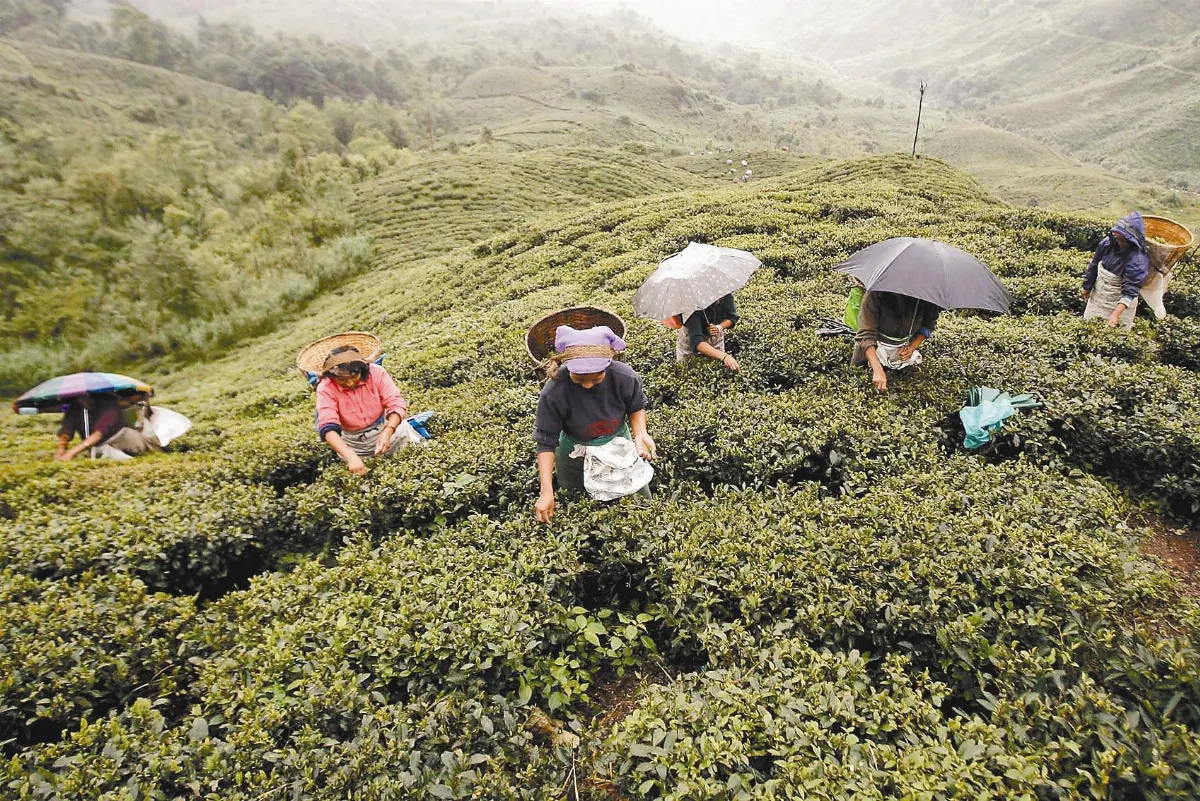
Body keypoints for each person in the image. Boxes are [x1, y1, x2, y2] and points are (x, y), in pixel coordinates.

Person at [533, 325, 656, 524]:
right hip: (575, 454)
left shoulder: (625, 377)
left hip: (618, 446)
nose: (588, 385)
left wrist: (640, 433)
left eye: (596, 378)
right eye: (579, 379)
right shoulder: (555, 390)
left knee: (637, 502)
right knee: (581, 508)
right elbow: (546, 441)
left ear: (608, 364)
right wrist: (546, 491)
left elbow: (636, 406)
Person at [315, 346, 417, 476]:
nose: (350, 383)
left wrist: (388, 431)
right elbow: (327, 426)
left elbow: (395, 403)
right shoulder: (326, 387)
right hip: (355, 443)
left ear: (362, 370)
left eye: (354, 376)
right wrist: (351, 456)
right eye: (342, 379)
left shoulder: (376, 373)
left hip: (388, 429)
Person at [853, 291, 942, 392]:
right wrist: (877, 369)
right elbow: (866, 334)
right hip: (872, 349)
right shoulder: (876, 293)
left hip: (902, 351)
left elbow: (928, 324)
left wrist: (912, 347)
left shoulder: (927, 296)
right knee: (861, 383)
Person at [1081, 212, 1151, 330]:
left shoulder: (1137, 260)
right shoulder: (1107, 244)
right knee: (1089, 326)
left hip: (1119, 304)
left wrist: (1116, 314)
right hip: (1099, 296)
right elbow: (1094, 264)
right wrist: (1087, 287)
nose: (1119, 242)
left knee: (1116, 331)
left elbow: (1130, 290)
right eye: (1117, 238)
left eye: (1122, 239)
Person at [55, 394, 158, 461]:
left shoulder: (109, 405)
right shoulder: (76, 408)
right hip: (99, 446)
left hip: (125, 440)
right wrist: (61, 447)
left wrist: (72, 452)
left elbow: (99, 433)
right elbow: (67, 428)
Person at [669, 293, 740, 371]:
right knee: (689, 372)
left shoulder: (724, 295)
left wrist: (720, 327)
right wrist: (724, 356)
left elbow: (732, 317)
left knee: (718, 370)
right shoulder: (691, 306)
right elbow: (697, 342)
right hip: (689, 346)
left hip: (716, 341)